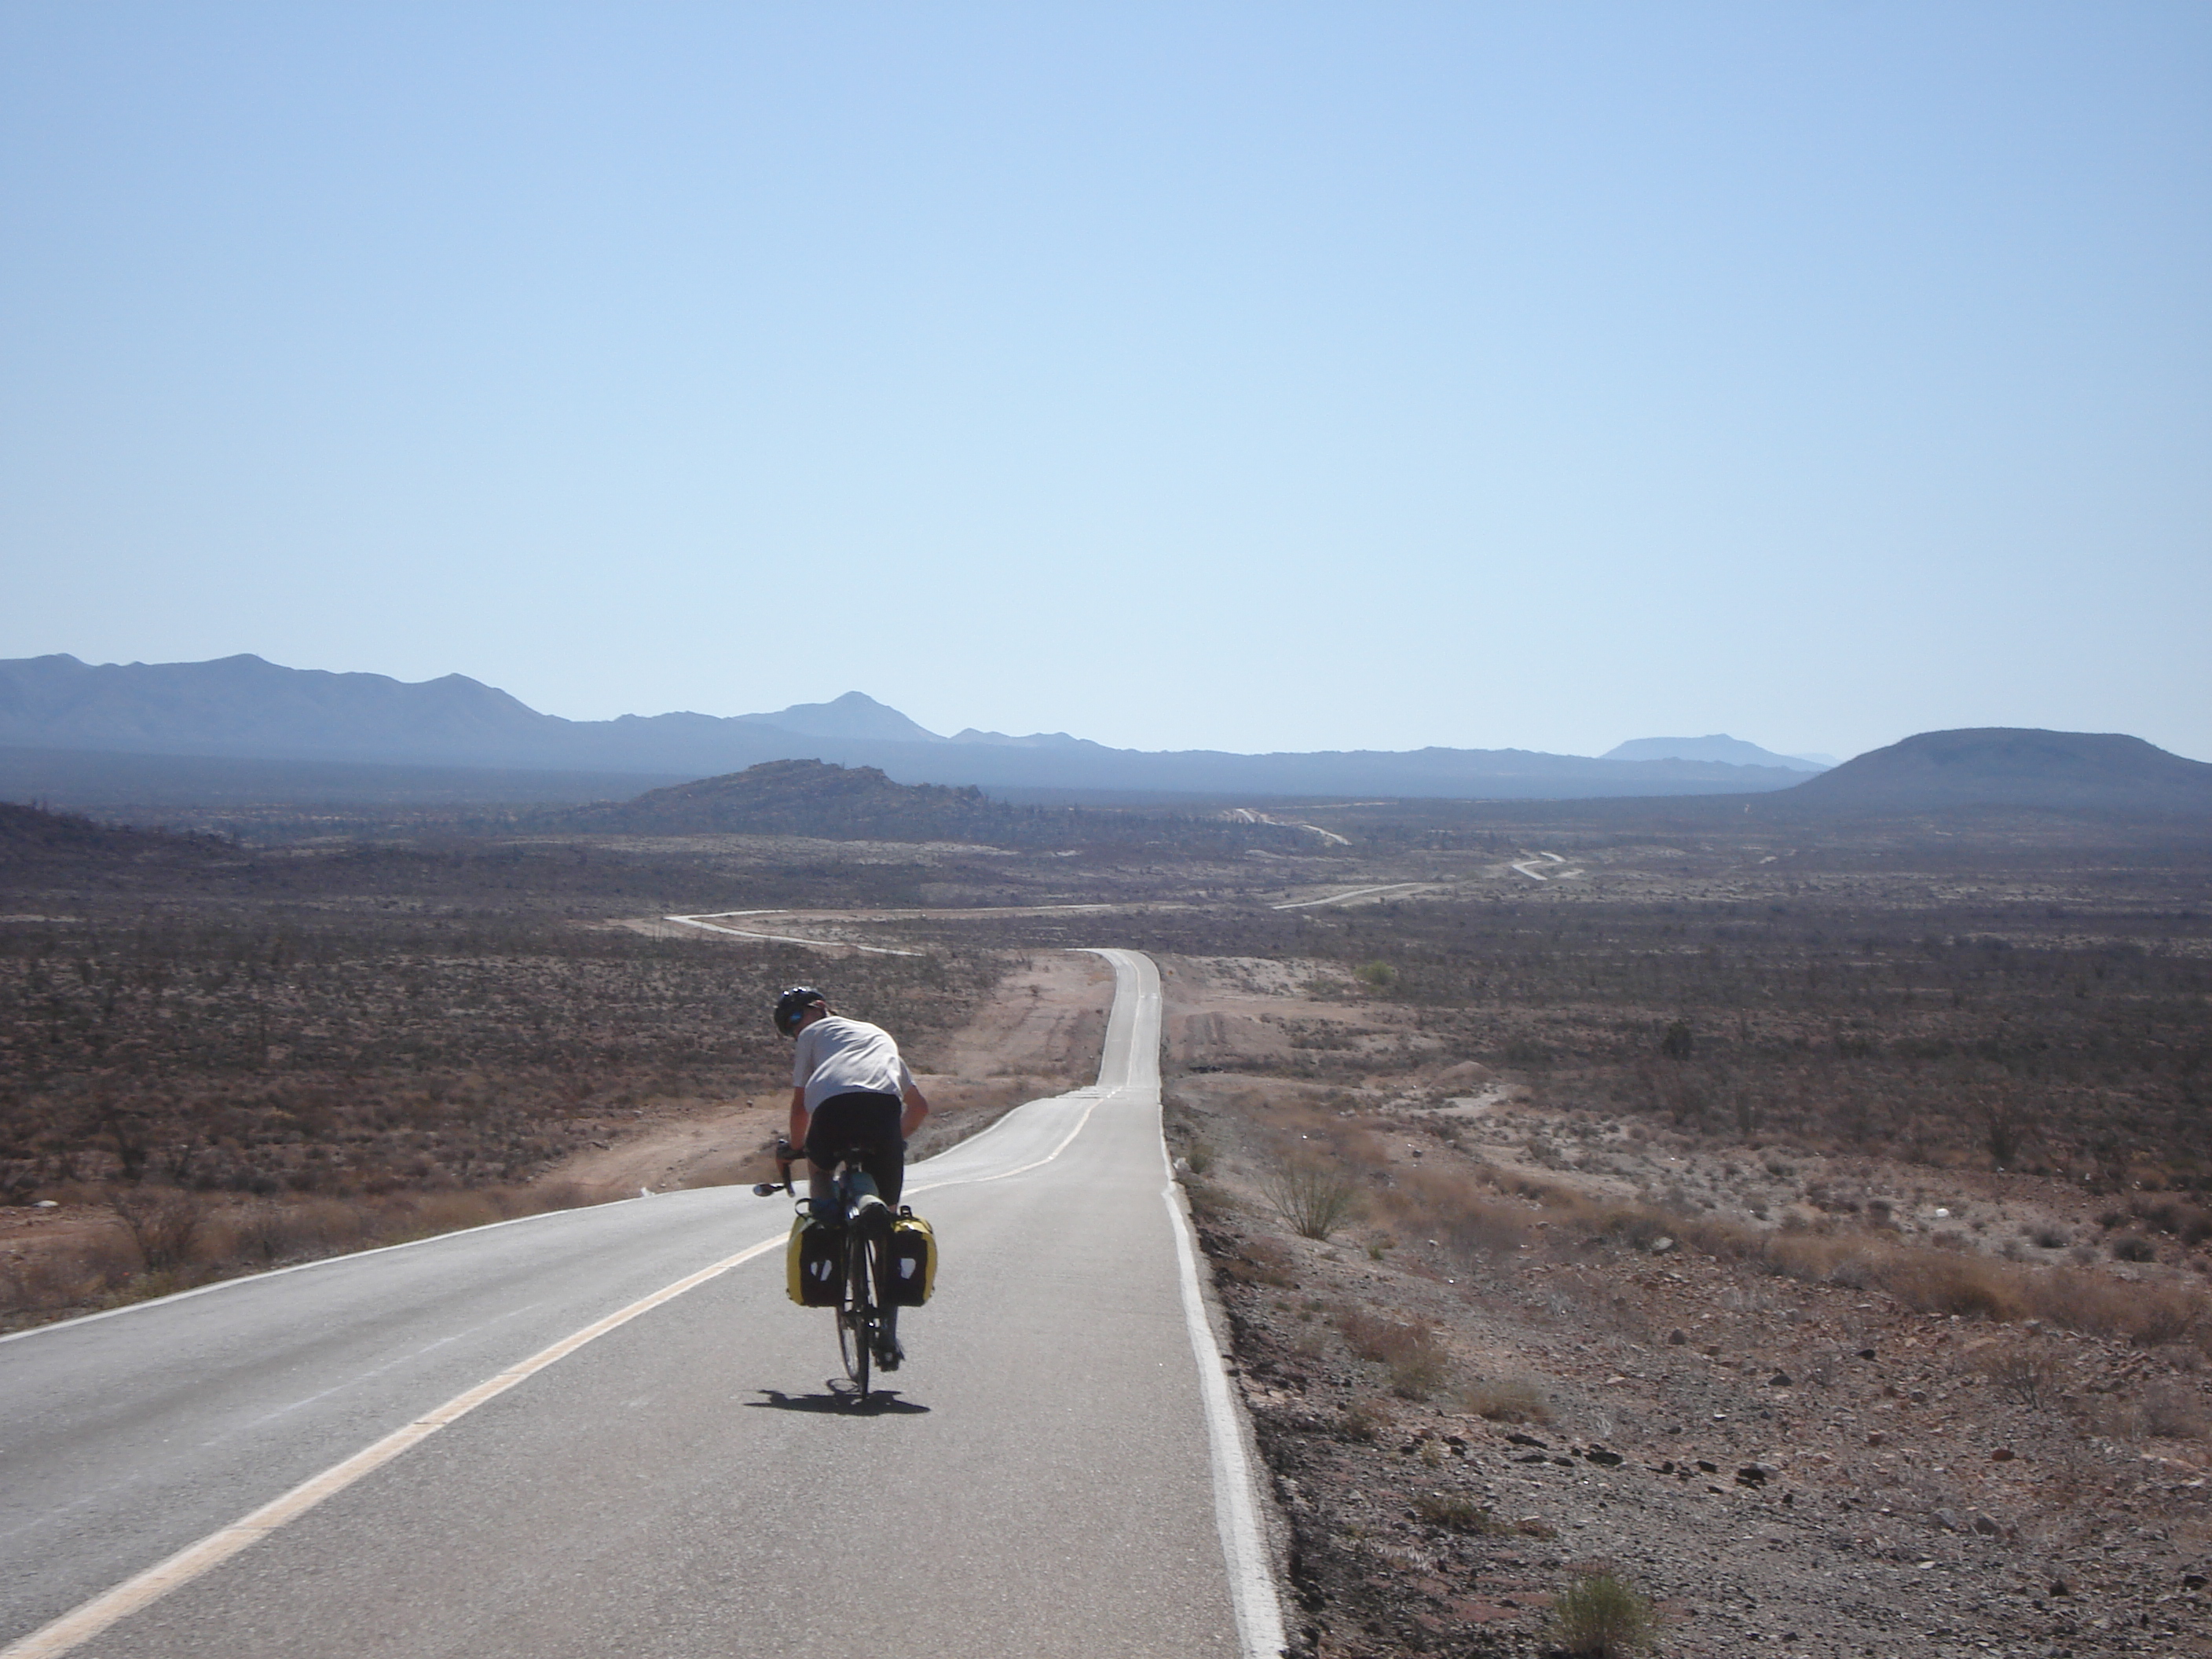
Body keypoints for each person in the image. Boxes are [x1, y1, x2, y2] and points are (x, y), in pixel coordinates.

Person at [775, 983, 930, 1218]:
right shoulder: (878, 1035)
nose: (796, 1029)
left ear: (820, 1007)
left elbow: (800, 1106)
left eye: (796, 1017)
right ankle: (882, 1222)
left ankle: (824, 1223)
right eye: (789, 1029)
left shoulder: (811, 1033)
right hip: (884, 1110)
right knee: (889, 1218)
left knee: (820, 1171)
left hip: (833, 1109)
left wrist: (795, 1148)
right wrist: (893, 1137)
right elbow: (919, 1107)